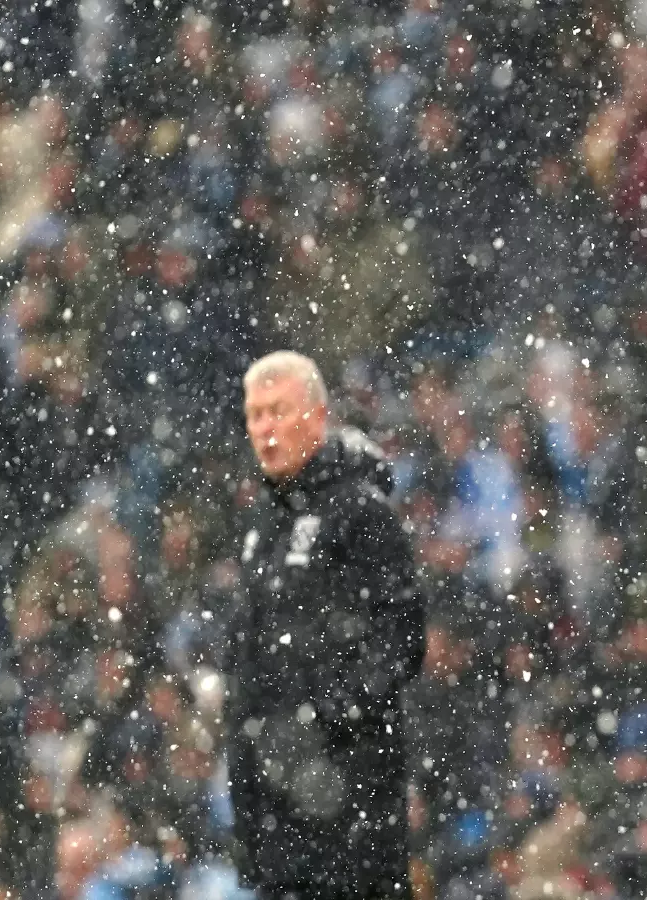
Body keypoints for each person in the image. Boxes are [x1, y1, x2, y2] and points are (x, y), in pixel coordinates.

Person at [229, 350, 425, 899]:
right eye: (255, 415)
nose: (264, 428)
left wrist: (324, 721)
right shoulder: (262, 525)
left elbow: (403, 640)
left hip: (349, 808)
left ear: (316, 417)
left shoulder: (363, 513)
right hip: (276, 814)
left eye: (277, 411)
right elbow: (251, 665)